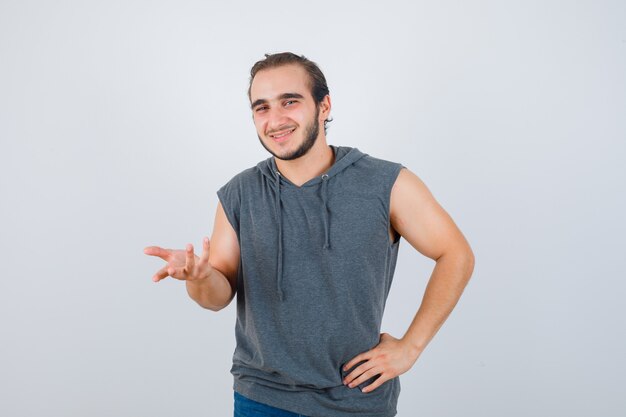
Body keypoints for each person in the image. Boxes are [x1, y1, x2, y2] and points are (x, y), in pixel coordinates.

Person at [144, 52, 475, 417]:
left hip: (358, 398)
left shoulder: (387, 183)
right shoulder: (240, 193)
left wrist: (410, 348)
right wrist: (201, 277)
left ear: (324, 105)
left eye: (290, 101)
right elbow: (215, 297)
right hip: (262, 397)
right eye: (262, 107)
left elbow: (456, 254)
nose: (276, 120)